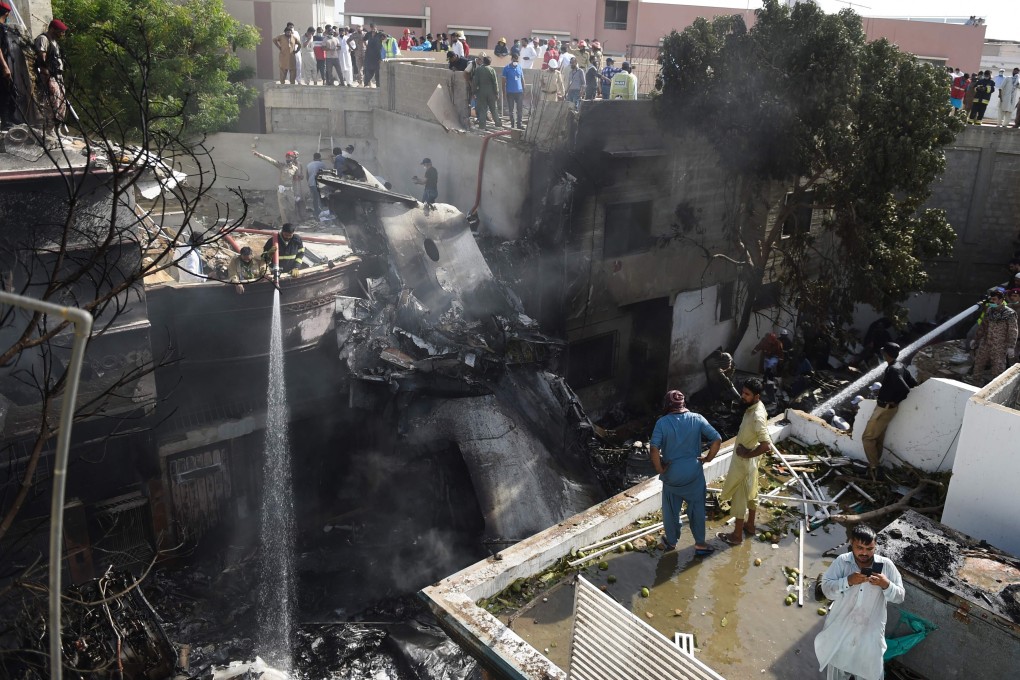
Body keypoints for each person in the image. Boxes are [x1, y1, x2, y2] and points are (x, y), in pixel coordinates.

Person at [815, 524, 905, 680]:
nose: (864, 553)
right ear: (851, 543)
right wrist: (848, 581)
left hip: (869, 635)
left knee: (869, 673)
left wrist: (886, 584)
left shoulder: (886, 566)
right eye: (860, 548)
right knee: (837, 671)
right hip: (841, 631)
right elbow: (827, 590)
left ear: (875, 546)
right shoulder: (842, 562)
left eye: (869, 549)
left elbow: (899, 597)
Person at [649, 390, 721, 555]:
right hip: (693, 474)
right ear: (683, 404)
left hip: (672, 474)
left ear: (667, 405)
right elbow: (717, 439)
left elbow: (654, 449)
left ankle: (672, 542)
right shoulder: (697, 418)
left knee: (670, 510)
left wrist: (660, 469)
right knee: (697, 508)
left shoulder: (662, 422)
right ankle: (701, 544)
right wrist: (708, 458)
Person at [717, 378, 771, 546]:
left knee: (740, 499)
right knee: (752, 493)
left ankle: (737, 535)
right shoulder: (755, 407)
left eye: (747, 394)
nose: (743, 396)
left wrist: (747, 454)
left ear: (757, 396)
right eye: (743, 392)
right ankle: (750, 525)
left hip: (744, 464)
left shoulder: (757, 416)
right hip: (752, 463)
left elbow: (766, 445)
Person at [860, 342, 916, 478]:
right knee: (877, 438)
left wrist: (894, 399)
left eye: (884, 353)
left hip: (883, 408)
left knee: (867, 438)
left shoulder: (892, 370)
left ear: (886, 354)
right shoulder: (900, 366)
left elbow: (905, 388)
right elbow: (913, 383)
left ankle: (875, 468)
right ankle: (875, 466)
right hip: (889, 409)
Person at [973, 287, 1018, 381]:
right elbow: (983, 326)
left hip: (999, 346)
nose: (992, 301)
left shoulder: (1009, 313)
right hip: (986, 343)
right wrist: (976, 339)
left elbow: (1013, 330)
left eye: (994, 299)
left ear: (1001, 300)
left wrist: (1011, 346)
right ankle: (974, 385)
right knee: (978, 365)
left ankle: (994, 392)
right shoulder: (989, 311)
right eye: (991, 299)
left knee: (997, 370)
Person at [34, 18, 68, 131]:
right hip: (49, 76)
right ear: (53, 29)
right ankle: (48, 130)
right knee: (52, 102)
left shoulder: (54, 41)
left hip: (58, 75)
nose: (62, 34)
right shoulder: (44, 39)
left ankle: (55, 129)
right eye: (60, 31)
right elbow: (41, 59)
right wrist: (47, 77)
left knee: (61, 103)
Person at [253, 149, 304, 225]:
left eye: (290, 157)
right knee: (283, 208)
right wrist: (259, 155)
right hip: (281, 189)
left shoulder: (295, 168)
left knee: (292, 207)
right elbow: (271, 160)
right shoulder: (282, 165)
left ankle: (292, 222)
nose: (288, 159)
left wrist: (299, 177)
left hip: (290, 190)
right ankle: (285, 224)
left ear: (293, 158)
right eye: (287, 157)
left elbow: (299, 178)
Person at [472, 54, 500, 129]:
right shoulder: (492, 70)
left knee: (482, 109)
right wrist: (497, 93)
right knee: (493, 109)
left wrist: (474, 92)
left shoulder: (478, 70)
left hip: (481, 92)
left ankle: (482, 126)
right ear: (490, 63)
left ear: (483, 61)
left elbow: (475, 82)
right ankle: (498, 124)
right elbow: (495, 82)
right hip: (491, 93)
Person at [502, 54, 525, 129]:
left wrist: (523, 90)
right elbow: (503, 82)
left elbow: (522, 79)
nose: (516, 62)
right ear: (512, 59)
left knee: (519, 109)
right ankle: (513, 125)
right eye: (514, 60)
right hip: (510, 92)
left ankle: (519, 124)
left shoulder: (519, 67)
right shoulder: (506, 68)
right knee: (511, 110)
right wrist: (504, 93)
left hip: (519, 92)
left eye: (517, 60)